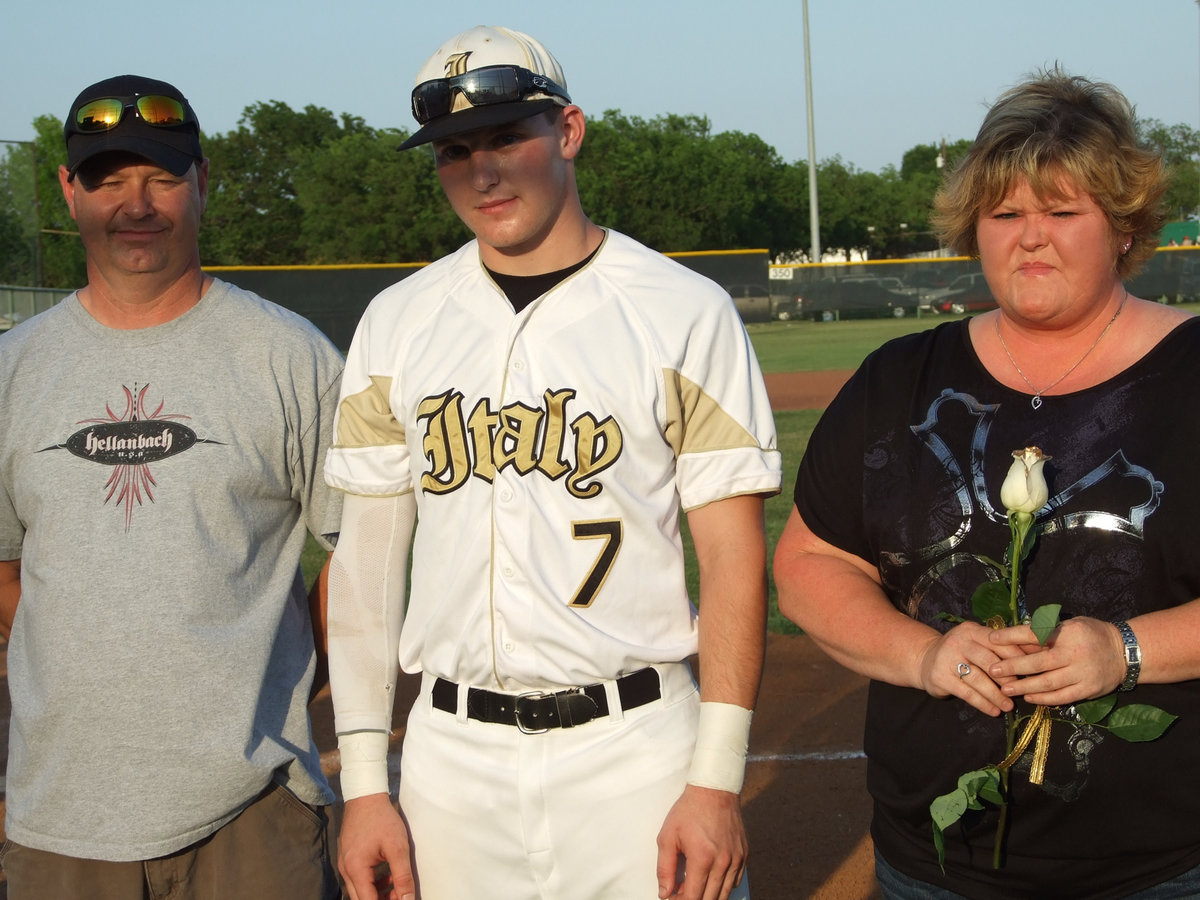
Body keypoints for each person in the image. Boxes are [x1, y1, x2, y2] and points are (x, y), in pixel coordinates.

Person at [323, 25, 781, 900]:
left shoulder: (684, 311)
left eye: (505, 137)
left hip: (637, 753)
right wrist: (366, 788)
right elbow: (368, 563)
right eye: (455, 151)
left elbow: (730, 558)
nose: (483, 171)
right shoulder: (397, 321)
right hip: (452, 764)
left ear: (567, 131)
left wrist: (716, 780)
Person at [773, 68, 1200, 899]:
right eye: (1005, 214)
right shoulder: (900, 379)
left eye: (1062, 212)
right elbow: (810, 564)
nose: (1030, 237)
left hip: (1159, 866)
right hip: (932, 864)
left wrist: (1126, 651)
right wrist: (925, 654)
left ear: (1122, 228)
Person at [0, 75, 344, 899]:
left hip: (252, 810)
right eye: (108, 179)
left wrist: (288, 679)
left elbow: (362, 555)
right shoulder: (17, 368)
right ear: (67, 191)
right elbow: (5, 572)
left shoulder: (287, 355)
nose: (136, 203)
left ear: (202, 180)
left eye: (159, 175)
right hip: (61, 821)